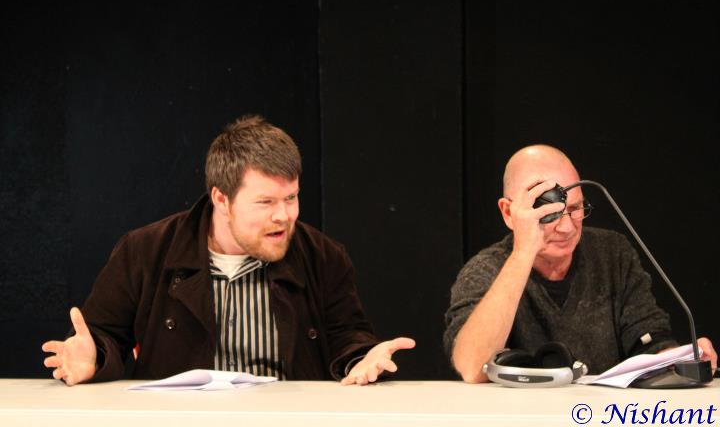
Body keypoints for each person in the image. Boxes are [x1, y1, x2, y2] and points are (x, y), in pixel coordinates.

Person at [43, 115, 414, 386]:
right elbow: (102, 337)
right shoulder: (145, 251)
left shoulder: (323, 256)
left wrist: (361, 359)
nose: (284, 216)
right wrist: (93, 357)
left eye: (291, 198)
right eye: (266, 201)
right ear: (221, 199)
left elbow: (348, 338)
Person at [444, 144, 716, 383]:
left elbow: (649, 339)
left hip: (602, 413)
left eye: (575, 209)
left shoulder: (612, 252)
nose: (567, 228)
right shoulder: (484, 270)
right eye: (550, 214)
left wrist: (680, 359)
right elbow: (472, 367)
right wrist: (523, 252)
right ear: (508, 212)